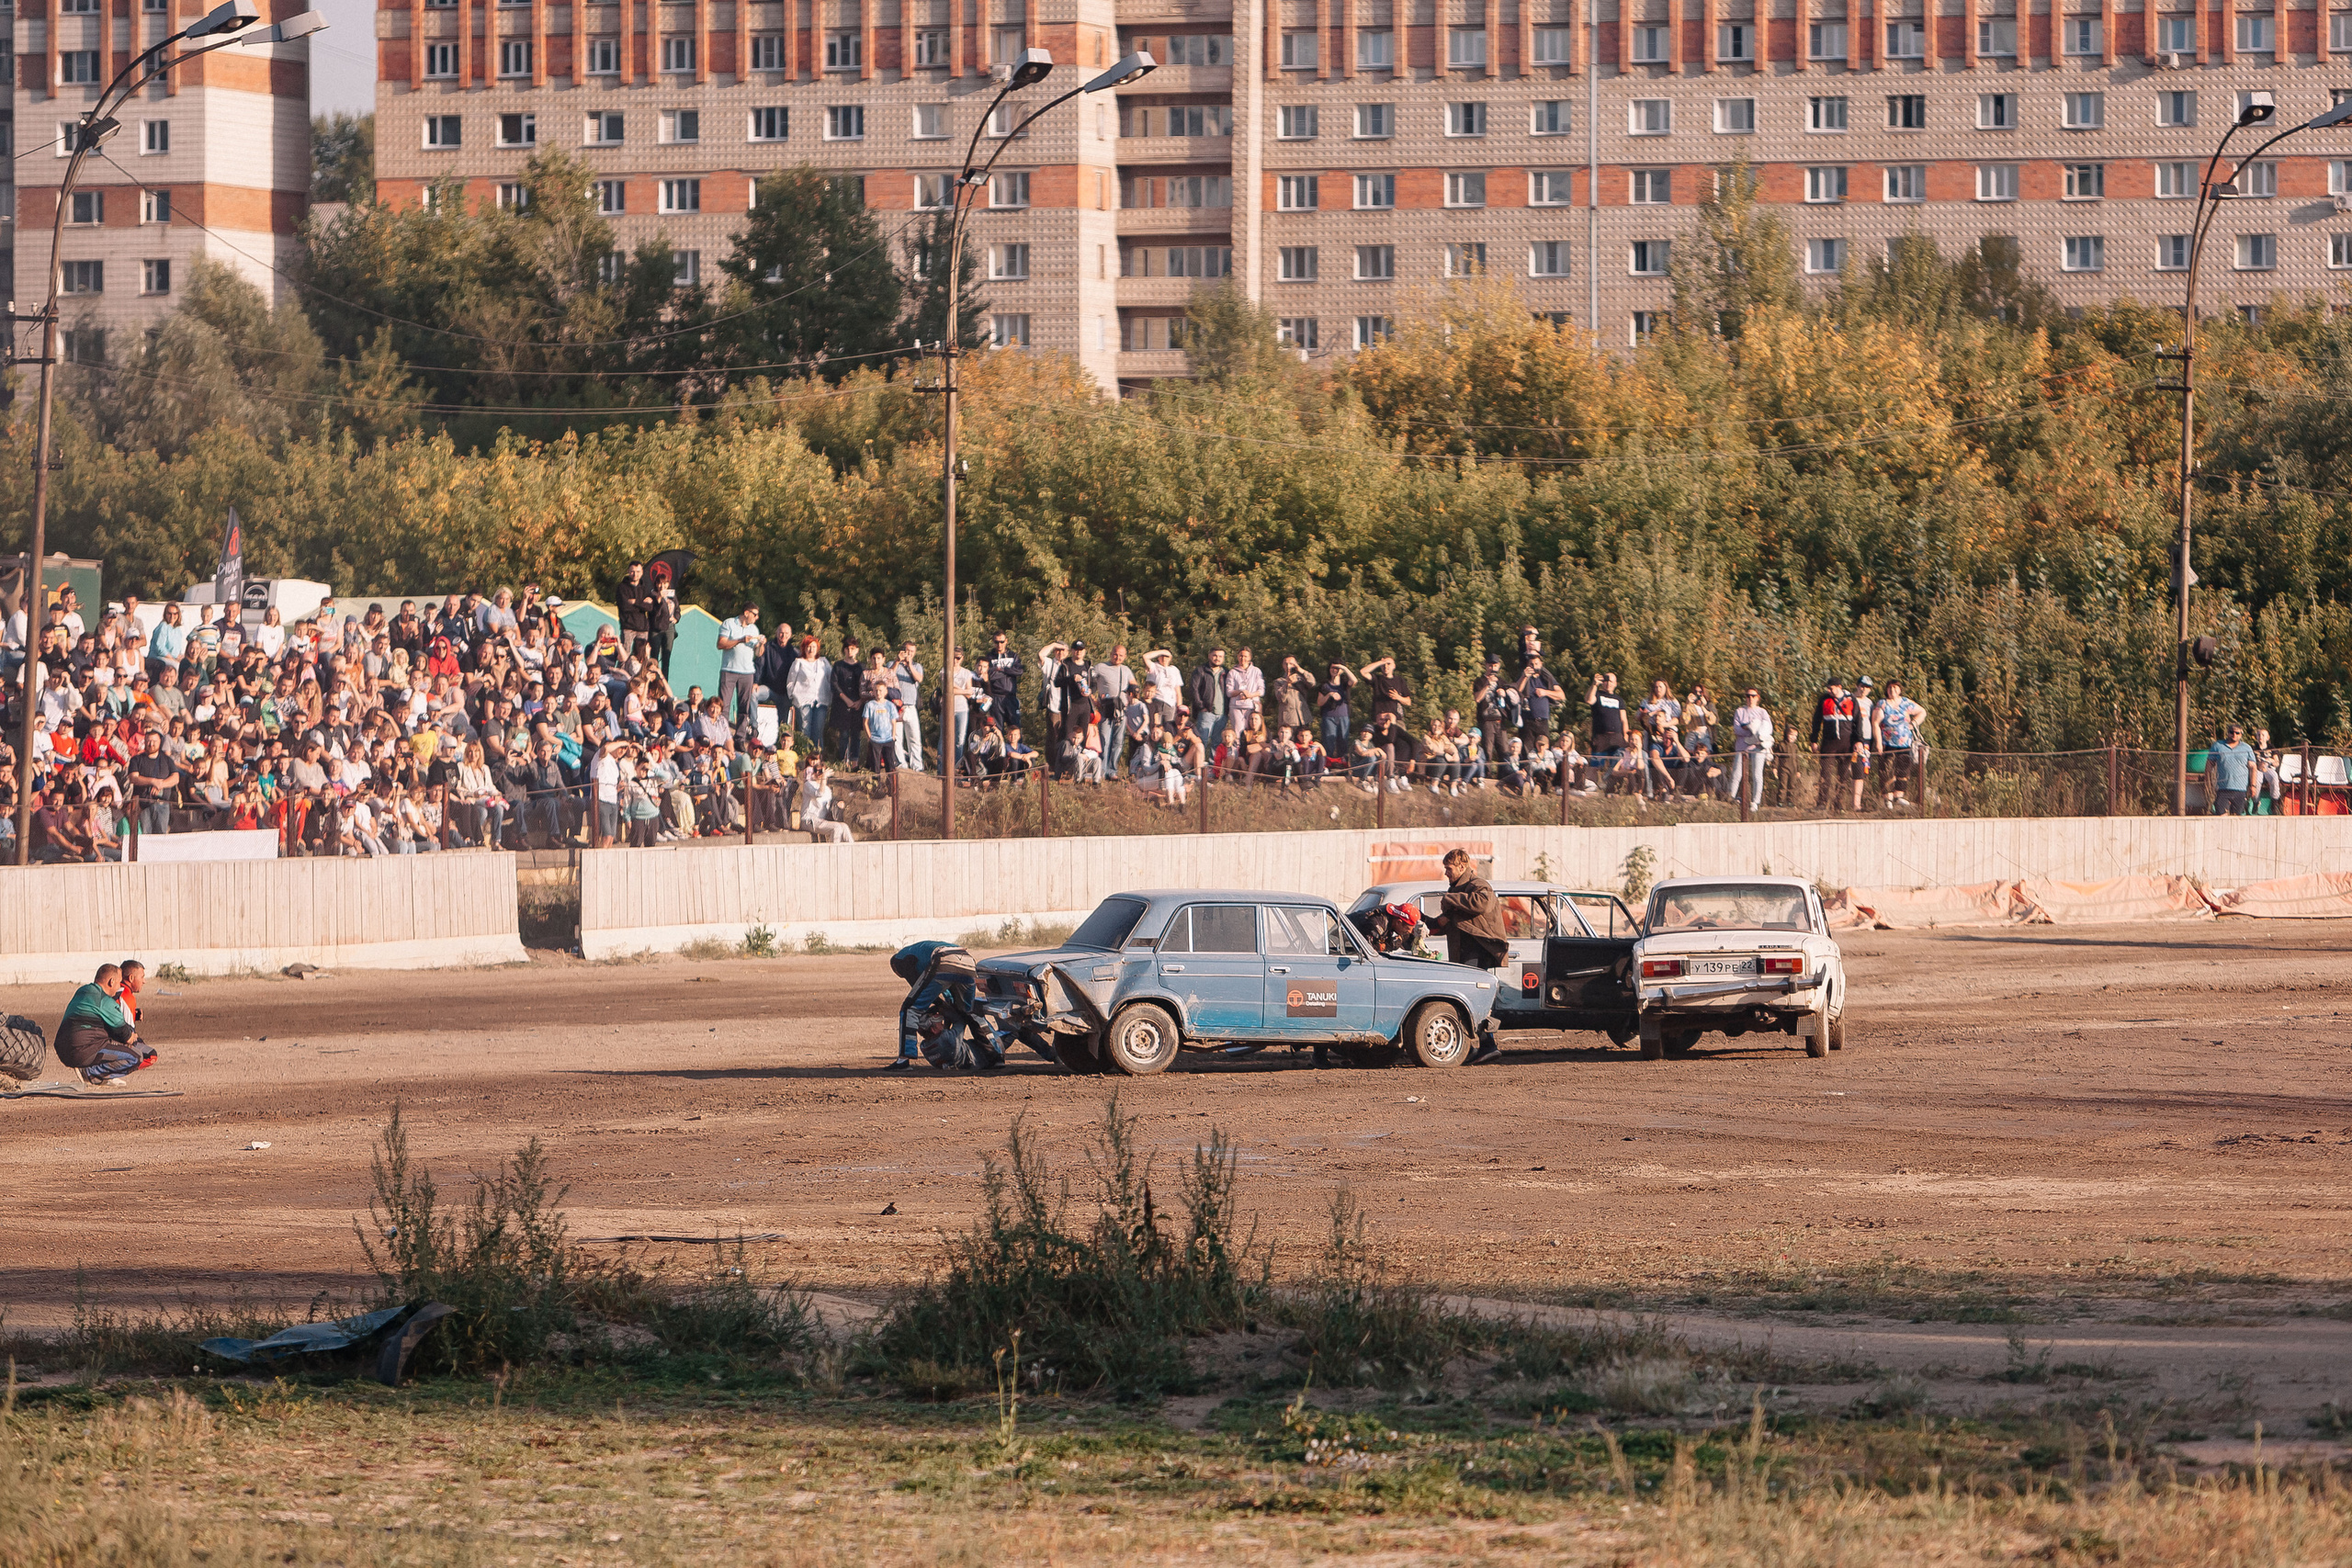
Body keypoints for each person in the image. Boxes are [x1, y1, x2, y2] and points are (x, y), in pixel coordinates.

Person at [1420, 850, 1507, 1065]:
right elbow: (1443, 924)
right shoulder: (1458, 891)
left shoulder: (1478, 885)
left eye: (1449, 868)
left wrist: (1450, 898)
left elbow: (1482, 903)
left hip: (1476, 954)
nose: (1446, 873)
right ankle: (1479, 1047)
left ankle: (1487, 1045)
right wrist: (1419, 924)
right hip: (1462, 956)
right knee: (1466, 999)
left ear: (1462, 866)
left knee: (1469, 998)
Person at [887, 941, 1002, 1071]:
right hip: (968, 961)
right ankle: (995, 1055)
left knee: (909, 1009)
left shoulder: (900, 960)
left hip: (944, 959)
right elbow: (942, 988)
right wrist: (947, 1005)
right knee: (968, 1010)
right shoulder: (919, 950)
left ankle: (903, 1059)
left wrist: (939, 1005)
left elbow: (918, 987)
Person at [54, 963, 153, 1085]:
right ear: (112, 982)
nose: (119, 987)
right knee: (136, 1056)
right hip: (81, 1051)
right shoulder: (104, 1000)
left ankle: (93, 1072)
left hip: (62, 1049)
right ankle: (92, 1073)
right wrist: (132, 1036)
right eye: (119, 983)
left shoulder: (83, 990)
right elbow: (124, 1035)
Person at [1871, 680, 1927, 811]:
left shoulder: (1905, 703)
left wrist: (1913, 724)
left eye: (1895, 687)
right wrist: (1878, 742)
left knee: (1903, 769)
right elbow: (1875, 723)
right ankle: (1888, 798)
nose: (1892, 690)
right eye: (1890, 688)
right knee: (1887, 770)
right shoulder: (1883, 704)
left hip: (1905, 743)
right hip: (1888, 743)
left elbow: (1922, 712)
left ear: (1899, 689)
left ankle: (1899, 796)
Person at [1809, 677, 1860, 813]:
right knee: (1825, 773)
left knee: (1843, 776)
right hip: (1829, 743)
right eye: (1828, 688)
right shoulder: (1824, 699)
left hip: (1847, 743)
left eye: (1831, 688)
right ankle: (1821, 803)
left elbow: (1858, 721)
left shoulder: (1851, 699)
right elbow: (1816, 720)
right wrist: (1813, 739)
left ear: (1839, 686)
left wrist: (1858, 740)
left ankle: (1839, 804)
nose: (1829, 691)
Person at [715, 604, 763, 732]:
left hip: (747, 673)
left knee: (744, 708)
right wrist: (740, 640)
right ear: (746, 613)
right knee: (724, 706)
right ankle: (723, 735)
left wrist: (761, 644)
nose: (757, 617)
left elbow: (758, 653)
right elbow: (720, 644)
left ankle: (740, 738)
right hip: (729, 670)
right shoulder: (729, 623)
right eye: (755, 614)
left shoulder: (754, 629)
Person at [1727, 688, 1775, 814]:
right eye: (1748, 696)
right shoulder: (1740, 711)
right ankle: (1730, 798)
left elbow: (1767, 728)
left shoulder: (1762, 712)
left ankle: (1755, 801)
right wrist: (1751, 729)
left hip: (1758, 748)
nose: (1750, 698)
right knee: (1737, 774)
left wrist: (1756, 733)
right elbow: (1737, 729)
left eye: (1753, 696)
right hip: (1742, 748)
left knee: (1757, 775)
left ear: (1757, 697)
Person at [2207, 724, 2256, 815]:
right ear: (2227, 733)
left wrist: (2253, 786)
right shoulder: (2218, 746)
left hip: (2240, 789)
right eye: (2231, 732)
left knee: (2236, 818)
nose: (2234, 735)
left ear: (2241, 735)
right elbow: (2209, 764)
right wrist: (2209, 782)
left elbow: (2253, 767)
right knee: (2221, 816)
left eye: (2237, 733)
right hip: (2223, 788)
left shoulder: (2246, 748)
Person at [1586, 671, 1629, 775]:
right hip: (1600, 736)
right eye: (1606, 680)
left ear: (1615, 683)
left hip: (1617, 737)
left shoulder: (1619, 699)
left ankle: (1611, 788)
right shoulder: (1597, 694)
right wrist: (1594, 685)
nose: (1608, 683)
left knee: (1617, 764)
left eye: (1611, 681)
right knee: (1596, 764)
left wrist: (1626, 737)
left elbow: (1624, 719)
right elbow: (1589, 700)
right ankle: (1592, 786)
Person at [1189, 648, 1229, 756]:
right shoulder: (1201, 670)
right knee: (1202, 741)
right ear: (1209, 656)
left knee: (1217, 743)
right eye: (1215, 655)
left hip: (1222, 714)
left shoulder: (1226, 672)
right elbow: (1194, 689)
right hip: (1206, 712)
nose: (1217, 658)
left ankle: (1213, 770)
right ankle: (1198, 768)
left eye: (1220, 656)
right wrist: (1201, 706)